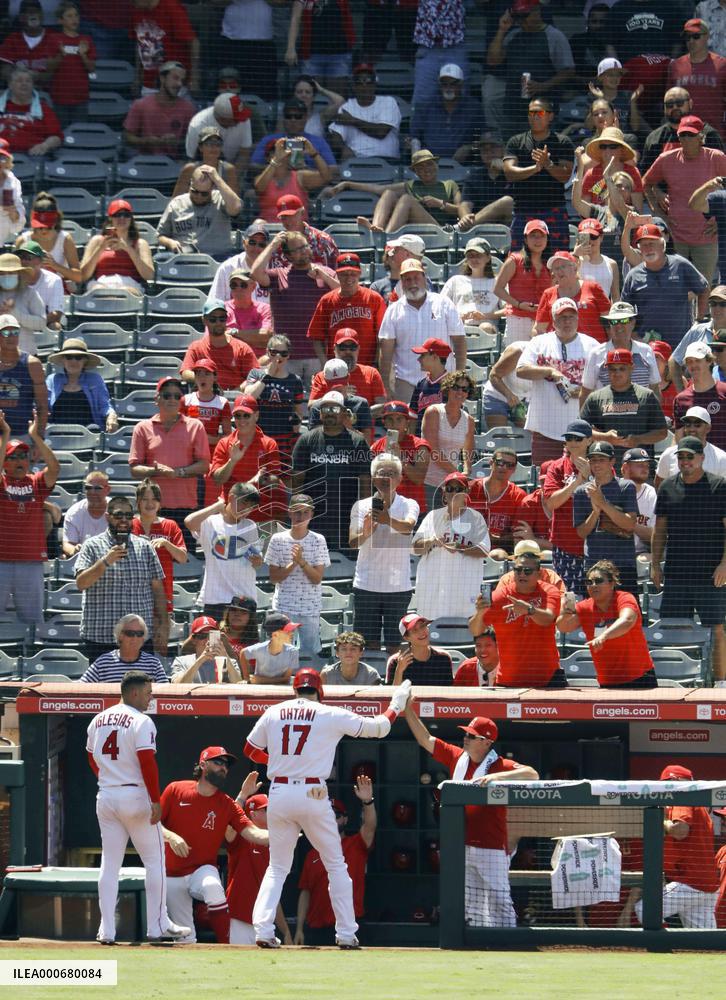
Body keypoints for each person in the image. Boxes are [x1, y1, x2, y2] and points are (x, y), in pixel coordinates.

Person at [244, 668, 412, 949]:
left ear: (294, 689)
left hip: (280, 791)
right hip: (313, 790)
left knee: (277, 867)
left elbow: (250, 750)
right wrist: (397, 702)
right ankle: (346, 933)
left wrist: (281, 763)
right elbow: (380, 728)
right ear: (319, 691)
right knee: (335, 864)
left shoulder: (275, 712)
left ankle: (262, 929)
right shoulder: (329, 713)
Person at [403, 708, 538, 926]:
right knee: (470, 904)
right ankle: (478, 946)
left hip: (491, 847)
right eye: (466, 734)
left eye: (471, 736)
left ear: (486, 742)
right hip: (461, 845)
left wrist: (497, 776)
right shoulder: (458, 758)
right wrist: (407, 709)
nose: (465, 738)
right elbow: (424, 738)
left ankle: (509, 945)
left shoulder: (499, 764)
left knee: (499, 900)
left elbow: (532, 774)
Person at [86, 670, 189, 945]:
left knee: (110, 864)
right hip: (134, 795)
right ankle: (157, 926)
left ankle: (107, 930)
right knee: (155, 861)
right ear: (133, 692)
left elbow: (91, 758)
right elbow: (147, 762)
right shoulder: (142, 721)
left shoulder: (98, 719)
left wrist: (109, 779)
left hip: (106, 796)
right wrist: (155, 799)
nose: (150, 696)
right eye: (147, 692)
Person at [160, 747, 267, 944]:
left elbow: (252, 833)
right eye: (218, 762)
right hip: (172, 873)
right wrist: (172, 837)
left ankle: (226, 948)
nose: (223, 768)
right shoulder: (175, 789)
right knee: (185, 939)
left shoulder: (226, 804)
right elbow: (151, 824)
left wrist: (283, 835)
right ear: (202, 765)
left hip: (202, 868)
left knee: (213, 887)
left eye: (226, 765)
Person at [652, 435, 726, 686]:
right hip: (677, 572)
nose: (685, 461)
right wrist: (654, 564)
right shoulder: (667, 487)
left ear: (702, 458)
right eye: (681, 457)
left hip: (710, 574)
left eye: (689, 456)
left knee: (715, 627)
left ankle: (721, 683)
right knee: (674, 627)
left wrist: (725, 564)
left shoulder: (719, 486)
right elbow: (660, 529)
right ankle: (676, 681)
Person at [75, 494, 169, 661]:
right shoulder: (92, 545)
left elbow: (158, 589)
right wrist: (105, 561)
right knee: (102, 687)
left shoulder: (145, 547)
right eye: (118, 515)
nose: (124, 520)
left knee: (140, 685)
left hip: (139, 637)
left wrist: (163, 623)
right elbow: (81, 583)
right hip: (101, 637)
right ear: (107, 517)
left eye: (128, 516)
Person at [627, 765, 719, 928]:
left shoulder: (682, 795)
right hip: (704, 885)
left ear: (675, 781)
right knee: (704, 940)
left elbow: (680, 831)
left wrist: (660, 822)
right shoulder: (696, 801)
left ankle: (664, 949)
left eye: (667, 783)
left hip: (690, 883)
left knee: (645, 909)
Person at [516, 297, 600, 466]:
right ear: (553, 321)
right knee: (544, 479)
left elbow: (602, 384)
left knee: (580, 480)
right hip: (544, 427)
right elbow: (521, 370)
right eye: (562, 317)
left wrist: (584, 392)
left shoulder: (592, 346)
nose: (567, 321)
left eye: (571, 317)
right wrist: (549, 371)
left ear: (578, 319)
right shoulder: (539, 342)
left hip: (580, 430)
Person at [251, 228, 338, 389]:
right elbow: (255, 273)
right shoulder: (279, 275)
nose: (304, 252)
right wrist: (273, 245)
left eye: (305, 246)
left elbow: (345, 294)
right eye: (297, 250)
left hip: (318, 355)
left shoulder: (325, 272)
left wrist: (323, 277)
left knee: (316, 406)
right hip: (286, 356)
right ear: (288, 256)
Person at [643, 115, 726, 283]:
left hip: (706, 236)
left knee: (704, 287)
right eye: (683, 135)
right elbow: (646, 183)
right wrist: (661, 215)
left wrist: (721, 220)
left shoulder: (716, 157)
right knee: (676, 287)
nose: (686, 139)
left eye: (691, 135)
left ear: (701, 137)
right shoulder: (666, 159)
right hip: (676, 236)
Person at [295, 777, 377, 946]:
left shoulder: (355, 844)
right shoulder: (312, 854)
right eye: (328, 814)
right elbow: (305, 893)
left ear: (345, 819)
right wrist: (299, 929)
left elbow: (369, 827)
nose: (332, 819)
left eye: (337, 815)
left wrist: (367, 801)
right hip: (317, 928)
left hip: (350, 926)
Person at [349, 453, 418, 653]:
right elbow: (353, 542)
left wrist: (388, 520)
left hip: (398, 587)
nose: (386, 478)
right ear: (373, 478)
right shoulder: (361, 506)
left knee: (396, 645)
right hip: (366, 584)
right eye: (381, 473)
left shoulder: (408, 504)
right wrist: (367, 531)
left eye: (391, 473)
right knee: (367, 643)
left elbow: (408, 527)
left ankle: (392, 681)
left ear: (399, 478)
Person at [129, 376, 210, 538]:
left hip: (186, 507)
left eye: (177, 396)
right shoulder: (142, 428)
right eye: (167, 395)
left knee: (184, 559)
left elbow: (204, 465)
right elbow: (134, 468)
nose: (172, 399)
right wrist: (156, 471)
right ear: (156, 399)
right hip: (152, 506)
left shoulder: (196, 426)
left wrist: (177, 472)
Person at [291, 393, 372, 556]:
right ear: (320, 413)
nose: (329, 412)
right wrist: (299, 517)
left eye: (334, 408)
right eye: (325, 408)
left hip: (347, 519)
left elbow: (365, 483)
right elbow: (297, 481)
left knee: (347, 566)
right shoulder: (306, 440)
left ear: (343, 412)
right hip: (314, 519)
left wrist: (362, 517)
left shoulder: (358, 442)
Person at [378, 259, 466, 404]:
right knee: (408, 425)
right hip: (406, 383)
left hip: (442, 381)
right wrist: (386, 386)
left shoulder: (443, 303)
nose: (412, 283)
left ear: (424, 278)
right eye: (407, 279)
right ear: (401, 282)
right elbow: (385, 352)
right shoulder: (393, 310)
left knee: (441, 424)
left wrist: (460, 376)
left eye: (416, 278)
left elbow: (460, 341)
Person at [557, 560, 657, 688]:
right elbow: (564, 627)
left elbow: (627, 620)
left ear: (612, 583)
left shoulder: (625, 598)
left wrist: (604, 636)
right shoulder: (585, 607)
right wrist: (565, 612)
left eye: (598, 581)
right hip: (607, 681)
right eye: (589, 582)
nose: (593, 585)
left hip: (640, 677)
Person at [474, 548, 564, 687]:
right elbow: (476, 631)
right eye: (518, 570)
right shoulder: (500, 595)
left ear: (539, 574)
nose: (522, 574)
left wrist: (529, 610)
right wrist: (479, 613)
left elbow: (548, 619)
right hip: (509, 679)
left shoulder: (549, 591)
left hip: (548, 678)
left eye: (527, 571)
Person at [0, 412, 58, 624]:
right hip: (1, 561)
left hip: (30, 561)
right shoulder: (2, 483)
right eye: (13, 456)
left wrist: (36, 437)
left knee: (33, 621)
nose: (19, 460)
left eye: (23, 456)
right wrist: (5, 433)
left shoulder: (36, 482)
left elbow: (54, 469)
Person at [500, 96, 575, 253]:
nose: (534, 116)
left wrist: (548, 164)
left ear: (550, 116)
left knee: (558, 260)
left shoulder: (563, 142)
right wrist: (535, 168)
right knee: (518, 261)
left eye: (539, 113)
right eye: (531, 113)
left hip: (554, 211)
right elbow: (509, 172)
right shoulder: (516, 141)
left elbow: (566, 176)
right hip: (523, 211)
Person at [413, 471, 490, 621]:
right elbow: (415, 548)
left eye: (458, 489)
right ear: (444, 492)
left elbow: (484, 550)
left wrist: (460, 547)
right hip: (432, 593)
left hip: (463, 594)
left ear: (466, 492)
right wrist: (432, 541)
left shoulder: (475, 518)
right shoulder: (432, 517)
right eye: (450, 489)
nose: (453, 493)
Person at [621, 222, 710, 348]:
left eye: (652, 243)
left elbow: (704, 289)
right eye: (644, 245)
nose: (648, 249)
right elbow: (624, 311)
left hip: (681, 344)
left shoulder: (680, 265)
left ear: (662, 244)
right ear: (639, 248)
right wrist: (632, 334)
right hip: (647, 347)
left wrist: (699, 321)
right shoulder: (633, 276)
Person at [184, 482, 263, 620]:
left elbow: (257, 564)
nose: (246, 510)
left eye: (251, 507)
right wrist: (216, 506)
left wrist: (258, 561)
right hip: (215, 599)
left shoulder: (251, 526)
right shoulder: (210, 522)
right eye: (244, 503)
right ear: (231, 498)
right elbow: (189, 522)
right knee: (214, 641)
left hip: (245, 599)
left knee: (246, 642)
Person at [580, 348, 668, 469]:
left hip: (639, 468)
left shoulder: (646, 396)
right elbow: (581, 431)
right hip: (605, 469)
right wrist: (605, 437)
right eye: (612, 369)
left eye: (622, 368)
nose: (617, 373)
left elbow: (662, 432)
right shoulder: (596, 397)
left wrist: (638, 439)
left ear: (632, 368)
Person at [266, 493, 330, 656]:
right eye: (296, 511)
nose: (300, 516)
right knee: (280, 652)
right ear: (289, 512)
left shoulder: (318, 540)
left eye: (305, 512)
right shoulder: (277, 539)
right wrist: (293, 563)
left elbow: (316, 579)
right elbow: (274, 578)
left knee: (310, 654)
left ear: (312, 514)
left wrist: (301, 562)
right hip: (283, 607)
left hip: (310, 608)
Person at [226, 792, 292, 946]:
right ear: (253, 814)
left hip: (263, 925)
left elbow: (273, 897)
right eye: (267, 809)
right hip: (239, 917)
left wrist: (286, 931)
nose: (273, 813)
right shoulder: (242, 838)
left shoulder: (275, 846)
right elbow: (229, 830)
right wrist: (242, 795)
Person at [572, 440, 638, 596]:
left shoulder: (626, 486)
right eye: (593, 460)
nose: (596, 464)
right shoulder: (581, 492)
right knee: (594, 616)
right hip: (593, 564)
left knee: (628, 612)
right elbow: (581, 533)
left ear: (612, 461)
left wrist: (602, 503)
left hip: (622, 564)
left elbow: (630, 524)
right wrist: (595, 512)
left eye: (601, 459)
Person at [355, 149, 468, 232]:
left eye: (429, 164)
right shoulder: (411, 185)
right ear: (416, 172)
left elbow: (460, 210)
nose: (426, 169)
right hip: (413, 228)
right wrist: (347, 184)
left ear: (436, 166)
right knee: (388, 193)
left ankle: (387, 235)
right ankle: (376, 228)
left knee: (406, 199)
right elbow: (378, 189)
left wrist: (440, 203)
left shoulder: (450, 184)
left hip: (440, 229)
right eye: (420, 167)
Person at [210, 394, 284, 520]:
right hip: (231, 515)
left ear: (256, 416)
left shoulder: (269, 444)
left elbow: (275, 480)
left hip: (261, 516)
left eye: (246, 415)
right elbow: (218, 480)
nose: (242, 420)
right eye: (238, 416)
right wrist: (232, 461)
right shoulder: (224, 443)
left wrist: (262, 479)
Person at [307, 254, 386, 369]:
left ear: (359, 274)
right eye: (344, 274)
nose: (349, 278)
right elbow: (316, 336)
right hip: (337, 368)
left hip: (368, 367)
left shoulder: (374, 299)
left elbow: (382, 336)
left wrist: (377, 362)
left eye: (353, 274)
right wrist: (325, 363)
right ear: (337, 275)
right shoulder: (327, 301)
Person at [157, 166, 241, 261]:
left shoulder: (220, 199)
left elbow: (236, 208)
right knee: (158, 259)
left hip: (217, 258)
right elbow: (160, 236)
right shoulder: (176, 203)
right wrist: (170, 242)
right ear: (190, 184)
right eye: (195, 191)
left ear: (212, 188)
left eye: (204, 193)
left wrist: (217, 179)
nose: (199, 196)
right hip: (183, 258)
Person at [580, 301, 660, 399]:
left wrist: (655, 414)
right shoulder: (596, 354)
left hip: (641, 413)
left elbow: (655, 389)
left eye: (623, 320)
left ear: (633, 323)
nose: (618, 325)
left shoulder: (646, 350)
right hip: (606, 413)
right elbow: (585, 393)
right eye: (614, 321)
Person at [492, 219, 552, 346]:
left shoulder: (550, 263)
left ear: (547, 239)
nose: (538, 240)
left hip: (543, 320)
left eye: (542, 236)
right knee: (515, 360)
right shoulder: (514, 260)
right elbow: (498, 289)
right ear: (525, 239)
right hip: (518, 318)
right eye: (533, 236)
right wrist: (518, 304)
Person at [131, 478, 187, 615]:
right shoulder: (129, 525)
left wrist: (167, 544)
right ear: (138, 502)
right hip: (133, 596)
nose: (150, 503)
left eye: (154, 499)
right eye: (145, 499)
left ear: (160, 503)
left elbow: (183, 558)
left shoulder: (170, 526)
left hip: (162, 596)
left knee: (161, 636)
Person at [410, 63, 485, 162]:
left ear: (461, 84)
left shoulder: (474, 107)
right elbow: (414, 138)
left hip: (462, 165)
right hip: (429, 164)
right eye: (444, 84)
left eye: (453, 83)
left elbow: (483, 137)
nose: (448, 87)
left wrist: (469, 147)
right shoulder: (425, 106)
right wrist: (419, 161)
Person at [640, 86, 724, 174]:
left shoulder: (709, 135)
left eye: (679, 103)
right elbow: (646, 176)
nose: (675, 107)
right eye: (669, 104)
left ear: (690, 103)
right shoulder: (654, 139)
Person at [180, 299, 257, 393]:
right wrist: (208, 380)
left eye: (222, 318)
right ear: (204, 320)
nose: (218, 323)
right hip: (205, 398)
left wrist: (236, 392)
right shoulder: (196, 347)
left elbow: (255, 376)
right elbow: (185, 373)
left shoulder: (242, 348)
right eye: (213, 319)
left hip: (234, 400)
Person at [328, 62, 401, 161]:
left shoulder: (388, 102)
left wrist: (353, 121)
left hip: (387, 161)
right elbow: (336, 137)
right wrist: (343, 148)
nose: (364, 86)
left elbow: (381, 132)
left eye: (368, 81)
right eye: (359, 82)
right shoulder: (347, 107)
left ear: (375, 84)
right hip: (357, 160)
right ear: (353, 86)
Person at [80, 199, 154, 295]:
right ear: (110, 218)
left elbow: (149, 275)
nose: (122, 218)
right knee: (98, 290)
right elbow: (83, 275)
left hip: (130, 285)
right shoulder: (97, 241)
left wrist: (128, 249)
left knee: (125, 292)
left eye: (126, 215)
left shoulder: (140, 243)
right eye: (117, 215)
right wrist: (101, 249)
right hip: (102, 283)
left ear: (131, 219)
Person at [123, 60, 195, 158]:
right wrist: (145, 141)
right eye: (175, 78)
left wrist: (177, 142)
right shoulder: (141, 105)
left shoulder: (188, 108)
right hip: (145, 162)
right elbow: (127, 137)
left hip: (174, 162)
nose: (179, 84)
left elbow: (194, 140)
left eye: (182, 80)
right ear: (162, 78)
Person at [535, 251, 610, 344]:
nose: (559, 271)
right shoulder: (548, 294)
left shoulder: (593, 288)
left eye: (563, 266)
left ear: (574, 268)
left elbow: (609, 321)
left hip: (593, 349)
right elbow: (539, 329)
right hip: (560, 351)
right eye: (556, 268)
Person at [668, 19, 726, 139]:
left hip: (714, 136)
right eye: (687, 37)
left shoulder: (722, 66)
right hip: (682, 136)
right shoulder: (675, 66)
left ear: (707, 36)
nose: (691, 41)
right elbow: (668, 104)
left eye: (695, 36)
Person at [371, 400, 430, 516]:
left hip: (412, 509)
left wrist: (400, 457)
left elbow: (419, 479)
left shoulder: (420, 445)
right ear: (384, 423)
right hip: (384, 509)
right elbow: (371, 480)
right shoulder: (376, 446)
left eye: (399, 419)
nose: (394, 424)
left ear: (407, 423)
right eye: (390, 420)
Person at [250, 98, 337, 177]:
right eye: (288, 116)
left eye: (298, 117)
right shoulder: (269, 140)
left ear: (305, 118)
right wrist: (280, 166)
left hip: (310, 189)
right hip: (275, 186)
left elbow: (333, 169)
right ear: (283, 119)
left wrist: (306, 170)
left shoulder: (318, 142)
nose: (293, 120)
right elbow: (253, 166)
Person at [284, 0, 356, 96]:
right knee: (306, 95)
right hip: (311, 54)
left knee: (338, 98)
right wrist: (291, 48)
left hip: (339, 54)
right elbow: (295, 19)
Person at [254, 135, 331, 224]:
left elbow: (326, 177)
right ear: (268, 158)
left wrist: (313, 153)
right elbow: (259, 188)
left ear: (289, 154)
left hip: (297, 230)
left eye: (283, 150)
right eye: (274, 151)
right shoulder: (262, 178)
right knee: (258, 223)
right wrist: (276, 159)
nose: (280, 153)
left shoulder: (300, 177)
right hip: (269, 230)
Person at [421, 370, 475, 495]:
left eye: (464, 389)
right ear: (448, 388)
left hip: (452, 486)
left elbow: (468, 449)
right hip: (428, 482)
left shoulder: (469, 420)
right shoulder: (433, 412)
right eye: (456, 387)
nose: (460, 392)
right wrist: (457, 474)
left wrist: (467, 469)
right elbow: (433, 451)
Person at [467, 445, 526, 558]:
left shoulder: (518, 496)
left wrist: (494, 538)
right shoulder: (470, 489)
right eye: (500, 462)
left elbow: (518, 534)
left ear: (514, 469)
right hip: (468, 545)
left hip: (497, 550)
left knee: (498, 555)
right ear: (491, 463)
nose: (504, 467)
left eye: (510, 465)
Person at [46, 337, 117, 431]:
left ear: (85, 361)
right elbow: (44, 406)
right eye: (69, 357)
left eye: (78, 357)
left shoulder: (95, 380)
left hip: (88, 433)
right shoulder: (52, 380)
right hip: (57, 433)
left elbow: (105, 405)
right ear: (63, 360)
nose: (73, 361)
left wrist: (112, 415)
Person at [179, 360, 231, 483]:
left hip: (211, 458)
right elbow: (177, 431)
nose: (202, 377)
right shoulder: (186, 400)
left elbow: (228, 437)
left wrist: (207, 439)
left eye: (207, 373)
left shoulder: (222, 403)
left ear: (215, 377)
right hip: (188, 457)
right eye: (198, 373)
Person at [130, 0, 198, 95]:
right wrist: (137, 76)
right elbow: (140, 45)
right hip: (149, 81)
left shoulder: (171, 7)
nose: (131, 3)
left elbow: (193, 42)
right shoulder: (136, 11)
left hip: (174, 80)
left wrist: (194, 78)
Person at [80, 614, 168, 684]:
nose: (135, 638)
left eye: (139, 633)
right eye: (130, 633)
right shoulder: (103, 662)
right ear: (120, 636)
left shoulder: (153, 664)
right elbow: (82, 687)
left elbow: (166, 693)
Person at [17, 190, 81, 287]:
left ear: (56, 222)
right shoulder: (22, 241)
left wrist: (55, 265)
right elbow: (13, 273)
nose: (44, 231)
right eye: (39, 227)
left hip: (57, 288)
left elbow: (78, 277)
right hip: (29, 289)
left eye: (48, 227)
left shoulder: (65, 239)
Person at [309, 329, 387, 408]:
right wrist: (336, 394)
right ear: (334, 349)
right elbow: (311, 406)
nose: (348, 352)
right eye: (343, 347)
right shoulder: (322, 376)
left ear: (358, 349)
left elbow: (382, 405)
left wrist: (361, 414)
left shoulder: (371, 373)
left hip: (363, 419)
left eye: (352, 347)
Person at [185, 92, 253, 180]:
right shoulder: (198, 125)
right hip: (204, 168)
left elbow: (244, 154)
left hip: (234, 166)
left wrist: (231, 179)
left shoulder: (244, 120)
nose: (240, 121)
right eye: (236, 119)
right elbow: (192, 159)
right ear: (223, 119)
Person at [441, 238, 502, 335]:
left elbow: (507, 310)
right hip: (460, 327)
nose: (474, 259)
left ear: (488, 257)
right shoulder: (455, 281)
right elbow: (440, 306)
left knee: (485, 327)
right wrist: (458, 316)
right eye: (470, 256)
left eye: (478, 255)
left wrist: (484, 316)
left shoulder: (497, 282)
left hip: (487, 330)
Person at [0, 313, 47, 437]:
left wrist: (39, 438)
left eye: (15, 332)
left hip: (23, 435)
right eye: (5, 333)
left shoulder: (32, 364)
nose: (11, 337)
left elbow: (42, 405)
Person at [673, 341, 726, 451]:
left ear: (709, 361)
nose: (693, 365)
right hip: (695, 465)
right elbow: (679, 437)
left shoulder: (724, 391)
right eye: (689, 361)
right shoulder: (681, 399)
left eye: (697, 360)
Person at [457, 132, 514, 230]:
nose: (488, 151)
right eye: (484, 148)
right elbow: (465, 204)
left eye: (493, 147)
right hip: (480, 231)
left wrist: (505, 169)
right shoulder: (474, 175)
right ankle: (467, 226)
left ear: (503, 150)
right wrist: (464, 217)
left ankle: (466, 227)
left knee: (507, 201)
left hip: (507, 231)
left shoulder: (513, 173)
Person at [656, 405, 726, 485]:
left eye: (697, 425)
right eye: (688, 424)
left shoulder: (721, 458)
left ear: (708, 428)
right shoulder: (669, 454)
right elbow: (660, 485)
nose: (692, 429)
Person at [0, 67, 62, 156]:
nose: (24, 84)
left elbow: (56, 137)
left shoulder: (44, 109)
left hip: (32, 157)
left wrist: (44, 146)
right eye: (19, 81)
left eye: (28, 81)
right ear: (10, 85)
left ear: (33, 85)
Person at [306, 366, 373, 445]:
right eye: (333, 385)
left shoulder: (360, 403)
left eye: (340, 386)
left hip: (352, 453)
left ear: (348, 380)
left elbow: (367, 444)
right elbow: (312, 443)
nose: (336, 390)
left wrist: (349, 428)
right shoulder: (317, 407)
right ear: (325, 382)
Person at [385, 614, 454, 686]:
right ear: (406, 638)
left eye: (422, 626)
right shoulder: (395, 661)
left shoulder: (444, 657)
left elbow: (449, 692)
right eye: (415, 630)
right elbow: (392, 695)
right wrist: (399, 671)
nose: (421, 632)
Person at [0, 251, 46, 355]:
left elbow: (41, 323)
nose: (6, 276)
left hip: (26, 356)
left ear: (19, 274)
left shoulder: (30, 294)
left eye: (11, 273)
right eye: (2, 274)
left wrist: (15, 313)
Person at [172, 124, 237, 198]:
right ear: (200, 147)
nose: (214, 147)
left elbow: (235, 202)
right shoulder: (189, 169)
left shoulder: (229, 170)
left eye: (218, 144)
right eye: (209, 144)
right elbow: (175, 200)